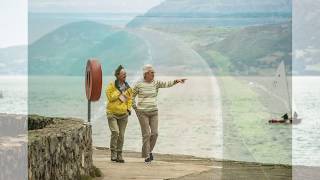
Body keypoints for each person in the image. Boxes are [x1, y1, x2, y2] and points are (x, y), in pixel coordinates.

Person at [132, 64, 186, 163]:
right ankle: (147, 155)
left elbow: (166, 84)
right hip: (142, 113)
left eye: (153, 72)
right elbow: (131, 96)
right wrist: (135, 108)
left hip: (154, 112)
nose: (153, 74)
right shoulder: (139, 84)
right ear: (146, 74)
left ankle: (149, 151)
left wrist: (176, 81)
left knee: (155, 133)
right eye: (151, 72)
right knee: (146, 134)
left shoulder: (156, 83)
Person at [106, 65, 132, 163]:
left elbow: (129, 100)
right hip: (112, 113)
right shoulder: (111, 85)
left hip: (123, 115)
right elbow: (110, 97)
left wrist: (128, 109)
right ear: (118, 75)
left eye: (125, 73)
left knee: (121, 135)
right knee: (115, 132)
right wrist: (119, 91)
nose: (125, 74)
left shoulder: (128, 88)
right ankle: (113, 152)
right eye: (123, 73)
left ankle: (119, 154)